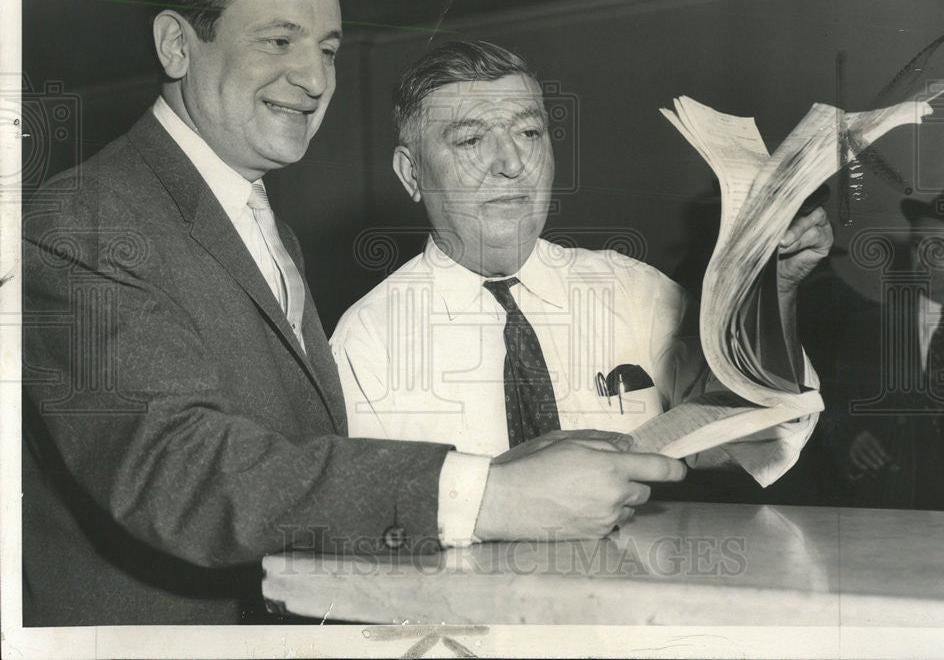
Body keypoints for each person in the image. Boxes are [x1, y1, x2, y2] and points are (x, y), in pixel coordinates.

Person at [21, 0, 687, 627]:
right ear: (177, 45)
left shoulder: (260, 227)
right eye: (280, 40)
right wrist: (491, 494)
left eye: (330, 49)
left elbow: (298, 462)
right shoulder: (87, 217)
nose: (313, 78)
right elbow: (176, 471)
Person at [330, 41, 834, 486]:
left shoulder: (630, 289)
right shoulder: (369, 340)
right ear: (411, 173)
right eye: (470, 140)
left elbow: (762, 434)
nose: (511, 163)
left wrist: (772, 292)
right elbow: (374, 522)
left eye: (529, 133)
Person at [835, 183, 944, 510]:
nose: (924, 258)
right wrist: (849, 441)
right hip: (892, 514)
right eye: (918, 245)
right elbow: (831, 409)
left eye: (941, 246)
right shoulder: (869, 328)